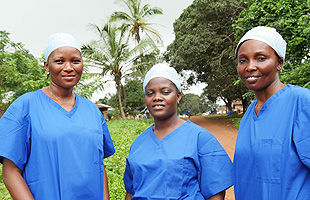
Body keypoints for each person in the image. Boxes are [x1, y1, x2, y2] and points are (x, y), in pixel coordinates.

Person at [0, 33, 115, 199]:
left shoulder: (92, 111)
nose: (68, 67)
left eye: (75, 61)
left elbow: (99, 166)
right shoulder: (25, 106)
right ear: (47, 66)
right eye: (59, 61)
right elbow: (11, 172)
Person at [123, 64, 233, 199]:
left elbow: (216, 194)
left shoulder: (200, 138)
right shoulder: (138, 144)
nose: (157, 97)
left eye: (165, 92)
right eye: (150, 93)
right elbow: (131, 192)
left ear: (178, 96)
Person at [234, 26, 310, 199]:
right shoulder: (248, 116)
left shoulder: (302, 102)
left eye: (261, 58)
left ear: (279, 63)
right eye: (243, 60)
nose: (250, 67)